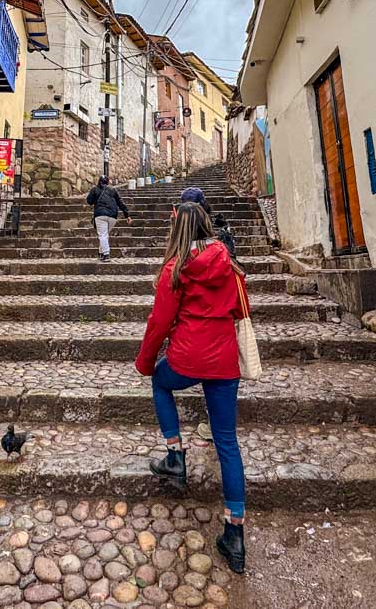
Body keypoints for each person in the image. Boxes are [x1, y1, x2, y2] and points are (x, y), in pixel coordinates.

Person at [135, 202, 248, 574]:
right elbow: (240, 310)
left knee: (160, 383)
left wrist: (146, 360)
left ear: (177, 229)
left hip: (186, 356)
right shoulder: (228, 265)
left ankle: (175, 455)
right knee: (227, 441)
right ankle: (234, 533)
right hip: (223, 359)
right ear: (206, 225)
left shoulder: (175, 268)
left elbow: (160, 321)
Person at [86, 175, 131, 262]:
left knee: (102, 235)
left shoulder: (95, 189)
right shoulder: (113, 189)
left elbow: (89, 201)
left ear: (99, 181)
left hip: (100, 215)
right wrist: (127, 215)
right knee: (104, 234)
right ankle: (101, 253)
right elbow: (120, 202)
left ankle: (106, 254)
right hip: (112, 216)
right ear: (107, 182)